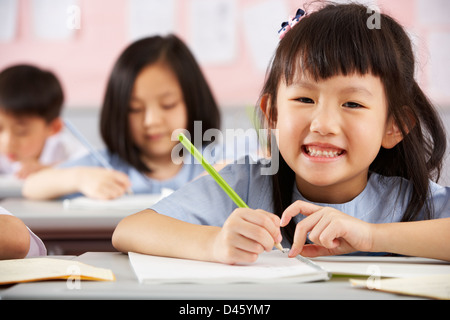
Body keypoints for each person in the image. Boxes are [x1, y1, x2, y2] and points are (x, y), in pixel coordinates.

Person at [112, 3, 450, 263]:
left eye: (352, 104)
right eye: (304, 99)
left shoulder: (411, 201)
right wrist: (214, 243)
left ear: (394, 127)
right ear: (272, 113)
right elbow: (129, 230)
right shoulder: (246, 184)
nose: (323, 124)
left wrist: (372, 237)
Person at [23, 34, 221, 200]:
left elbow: (249, 166)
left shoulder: (212, 159)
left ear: (194, 102)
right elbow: (31, 187)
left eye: (168, 105)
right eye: (134, 109)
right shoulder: (106, 165)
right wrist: (80, 178)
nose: (151, 121)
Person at [0, 64, 84, 180]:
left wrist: (49, 169)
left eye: (21, 132)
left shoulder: (65, 148)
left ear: (54, 128)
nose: (7, 142)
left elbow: (95, 166)